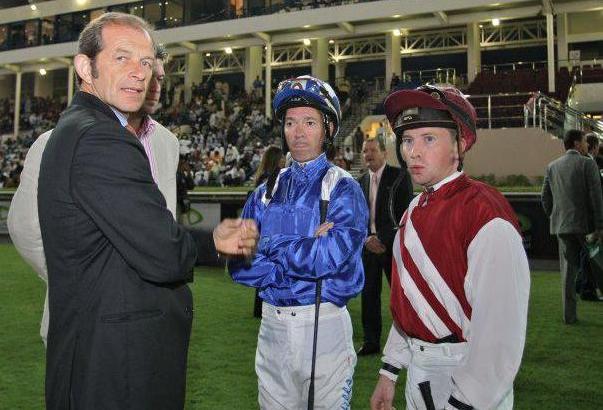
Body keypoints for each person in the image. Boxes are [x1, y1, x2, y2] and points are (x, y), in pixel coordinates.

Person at [36, 13, 258, 409]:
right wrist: (214, 244)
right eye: (122, 58)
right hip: (115, 366)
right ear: (85, 67)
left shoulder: (77, 127)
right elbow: (164, 253)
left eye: (146, 63)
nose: (139, 73)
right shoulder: (100, 136)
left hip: (99, 356)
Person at [370, 85, 530, 410]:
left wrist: (465, 402)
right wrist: (389, 371)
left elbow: (498, 334)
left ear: (461, 143)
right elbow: (410, 302)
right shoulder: (413, 210)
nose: (412, 152)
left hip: (463, 375)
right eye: (407, 140)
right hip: (421, 371)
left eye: (429, 139)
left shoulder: (485, 212)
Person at [7, 43, 178, 346]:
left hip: (152, 316)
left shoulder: (167, 143)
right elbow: (25, 227)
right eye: (143, 73)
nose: (151, 84)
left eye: (158, 76)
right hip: (81, 316)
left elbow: (163, 225)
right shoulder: (52, 143)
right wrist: (76, 276)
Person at [228, 75, 368, 409]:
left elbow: (330, 257)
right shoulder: (265, 192)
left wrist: (270, 245)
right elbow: (238, 262)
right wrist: (301, 249)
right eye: (291, 122)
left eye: (309, 122)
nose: (298, 132)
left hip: (325, 327)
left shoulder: (344, 188)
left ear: (328, 129)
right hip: (272, 328)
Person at [356, 135, 413, 356]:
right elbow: (355, 218)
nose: (368, 155)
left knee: (400, 297)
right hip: (368, 248)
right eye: (364, 151)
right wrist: (366, 240)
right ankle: (371, 342)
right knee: (369, 296)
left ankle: (409, 340)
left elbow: (405, 214)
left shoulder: (399, 177)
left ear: (384, 152)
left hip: (392, 248)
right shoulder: (360, 181)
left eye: (372, 150)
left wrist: (382, 239)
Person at [542, 129, 603, 322]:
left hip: (562, 226)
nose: (587, 145)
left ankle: (569, 316)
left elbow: (545, 198)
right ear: (577, 144)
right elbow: (596, 197)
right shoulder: (588, 164)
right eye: (585, 141)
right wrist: (600, 226)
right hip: (587, 228)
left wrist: (554, 215)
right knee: (599, 266)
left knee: (568, 273)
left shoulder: (552, 166)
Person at [250, 145, 285, 318]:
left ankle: (260, 307)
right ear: (276, 160)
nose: (285, 161)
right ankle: (264, 305)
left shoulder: (263, 178)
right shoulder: (271, 179)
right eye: (282, 158)